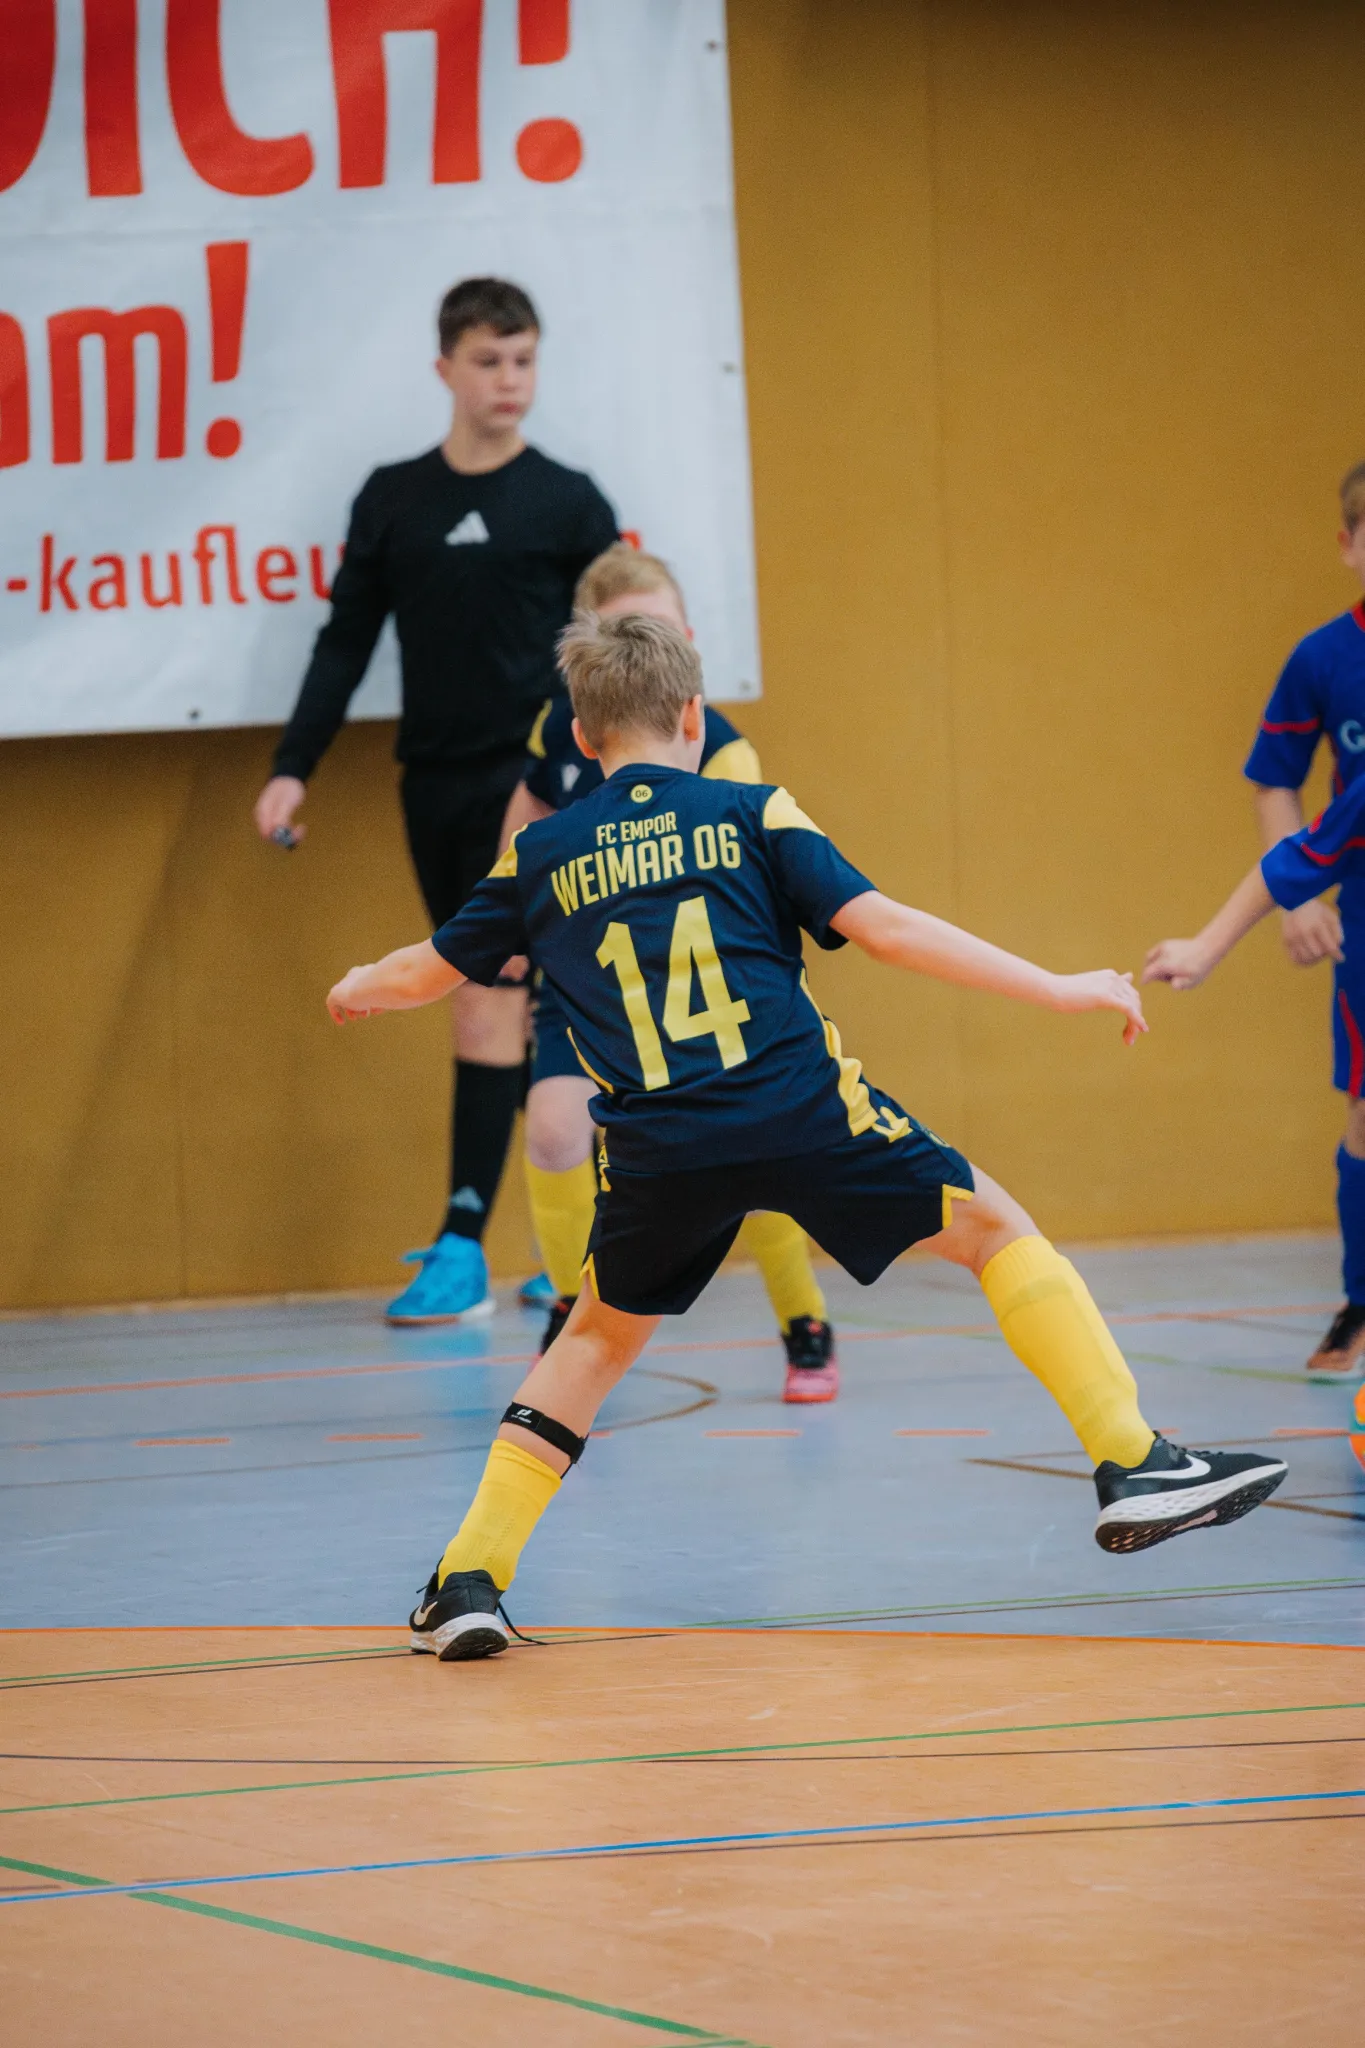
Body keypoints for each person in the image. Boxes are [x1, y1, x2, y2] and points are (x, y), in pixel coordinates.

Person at [325, 614, 1287, 1661]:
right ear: (694, 716)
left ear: (585, 739)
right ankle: (1132, 1456)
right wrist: (1058, 987)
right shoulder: (751, 810)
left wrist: (357, 985)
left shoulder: (541, 853)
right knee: (994, 1231)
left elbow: (427, 970)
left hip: (658, 1146)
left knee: (591, 1341)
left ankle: (467, 1580)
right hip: (799, 1107)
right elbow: (888, 929)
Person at [254, 277, 618, 1323]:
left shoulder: (569, 502)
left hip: (543, 787)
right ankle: (527, 1244)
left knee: (509, 996)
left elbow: (619, 654)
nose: (510, 380)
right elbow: (344, 641)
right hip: (439, 787)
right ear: (445, 368)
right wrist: (292, 765)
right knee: (490, 996)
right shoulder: (394, 499)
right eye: (489, 361)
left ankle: (496, 1246)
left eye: (524, 360)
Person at [504, 544, 840, 1400]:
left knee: (749, 1152)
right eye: (621, 634)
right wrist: (504, 910)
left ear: (688, 642)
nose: (640, 653)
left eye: (657, 631)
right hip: (590, 985)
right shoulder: (563, 729)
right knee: (553, 1132)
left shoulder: (722, 754)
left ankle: (802, 1319)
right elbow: (529, 809)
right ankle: (570, 1309)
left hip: (701, 993)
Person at [1242, 460, 1365, 1378]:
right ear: (1347, 545)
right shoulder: (1321, 658)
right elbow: (1275, 782)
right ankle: (1360, 1299)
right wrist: (1302, 898)